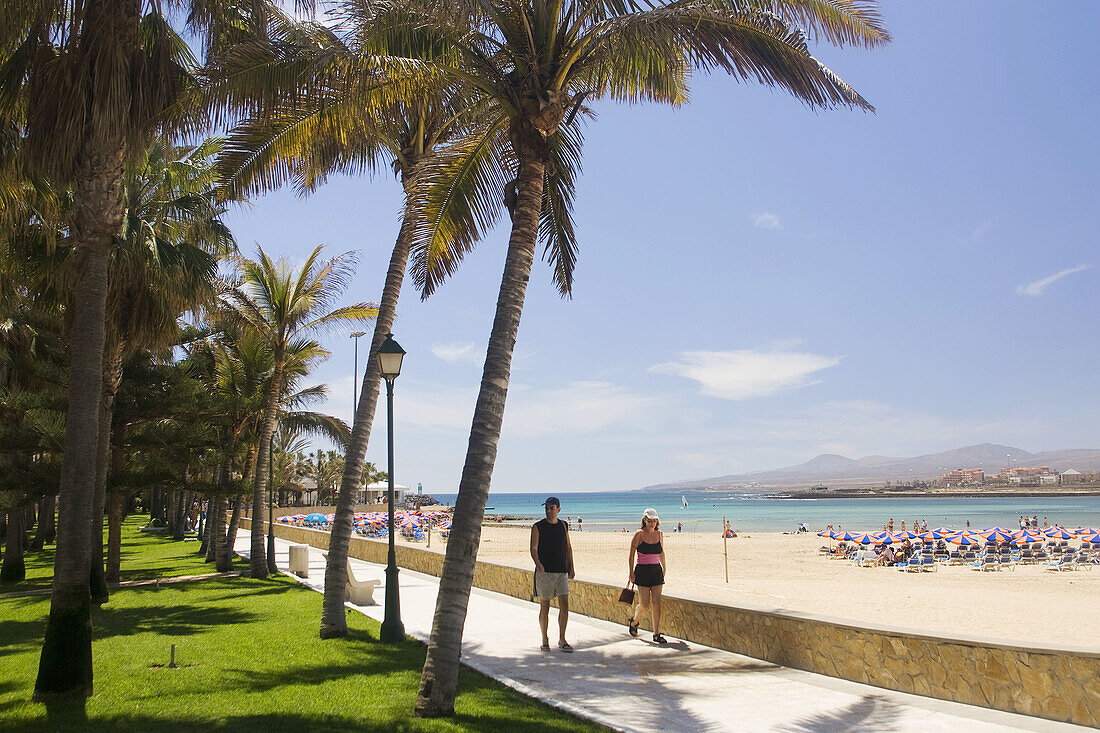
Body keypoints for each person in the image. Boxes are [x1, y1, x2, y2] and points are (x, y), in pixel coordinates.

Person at [530, 497, 575, 652]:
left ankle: (562, 639)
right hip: (545, 572)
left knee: (564, 604)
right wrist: (538, 564)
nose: (549, 511)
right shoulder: (538, 527)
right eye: (547, 508)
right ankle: (544, 639)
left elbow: (568, 547)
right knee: (545, 605)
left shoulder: (563, 525)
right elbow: (533, 549)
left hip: (561, 571)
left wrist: (571, 567)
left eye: (552, 508)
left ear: (558, 510)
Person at [627, 508, 668, 644]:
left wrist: (664, 568)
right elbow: (632, 553)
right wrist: (631, 572)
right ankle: (635, 621)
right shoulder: (639, 534)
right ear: (644, 520)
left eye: (654, 520)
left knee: (656, 603)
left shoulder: (659, 534)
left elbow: (661, 552)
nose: (652, 523)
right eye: (650, 520)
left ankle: (656, 634)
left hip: (656, 571)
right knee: (644, 604)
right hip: (642, 571)